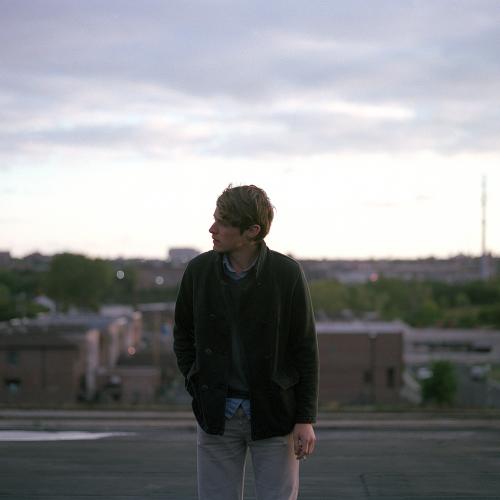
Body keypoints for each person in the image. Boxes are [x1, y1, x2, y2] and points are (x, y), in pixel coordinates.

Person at [173, 184, 319, 500]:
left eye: (222, 222)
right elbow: (182, 334)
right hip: (216, 414)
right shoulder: (199, 271)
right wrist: (196, 380)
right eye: (214, 219)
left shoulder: (286, 273)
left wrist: (305, 419)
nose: (212, 229)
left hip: (274, 413)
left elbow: (305, 348)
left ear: (252, 230)